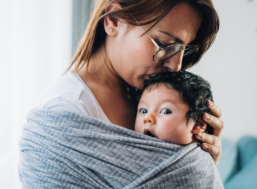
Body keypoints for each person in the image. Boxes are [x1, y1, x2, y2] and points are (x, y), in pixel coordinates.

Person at [22, 0, 223, 188]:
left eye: (183, 50)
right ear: (114, 20)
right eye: (164, 44)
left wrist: (198, 165)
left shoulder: (148, 97)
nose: (176, 66)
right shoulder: (66, 109)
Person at [134, 71, 214, 145]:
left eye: (165, 111)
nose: (147, 117)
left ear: (198, 124)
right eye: (144, 111)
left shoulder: (200, 159)